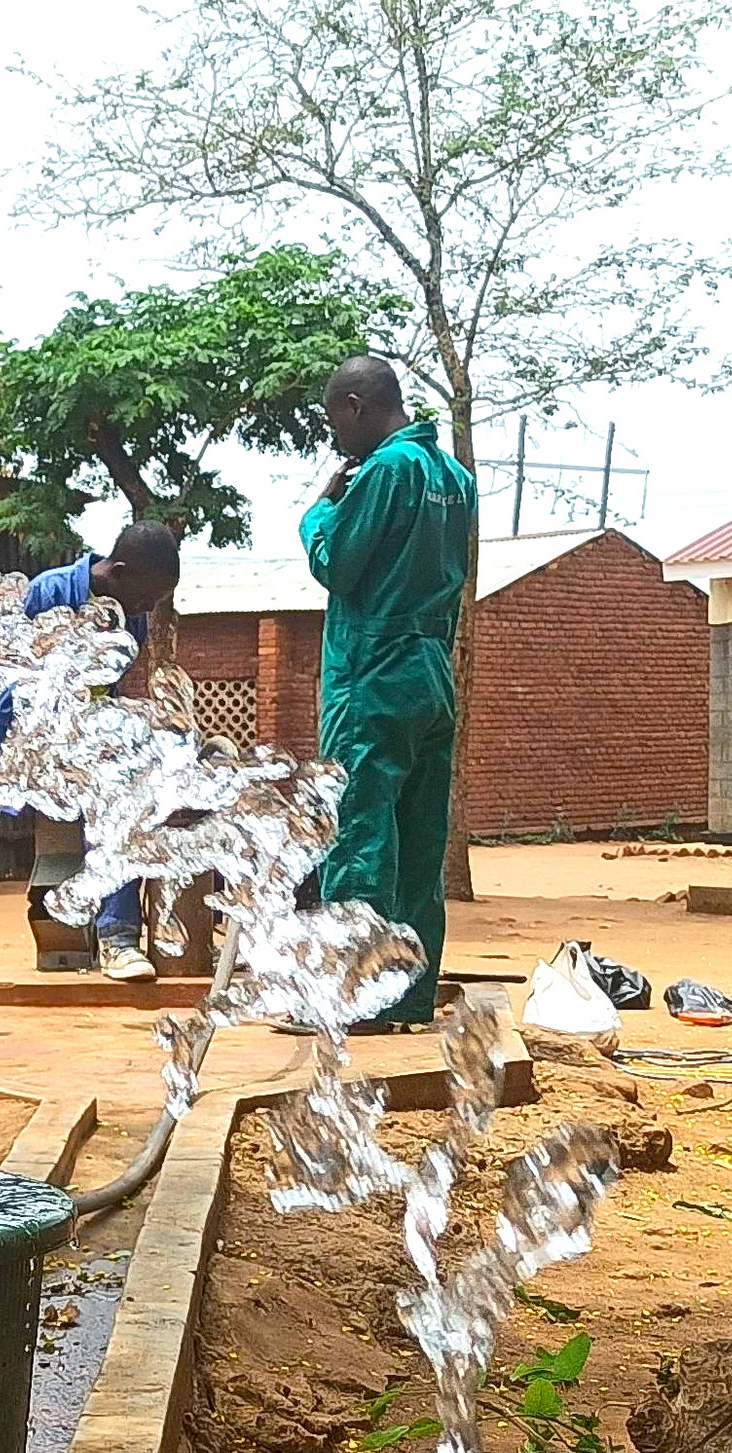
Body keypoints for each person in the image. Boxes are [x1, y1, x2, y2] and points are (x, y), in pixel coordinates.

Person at [300, 354, 477, 1031]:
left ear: (353, 405)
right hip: (431, 671)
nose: (336, 441)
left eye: (334, 423)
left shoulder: (384, 472)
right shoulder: (454, 479)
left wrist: (319, 511)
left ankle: (356, 999)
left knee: (360, 834)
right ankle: (409, 995)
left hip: (371, 671)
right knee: (420, 837)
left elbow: (337, 564)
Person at [0, 519, 182, 982]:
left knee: (132, 799)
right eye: (147, 596)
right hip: (36, 735)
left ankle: (118, 938)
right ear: (120, 571)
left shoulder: (131, 613)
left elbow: (109, 691)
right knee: (115, 799)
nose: (148, 608)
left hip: (91, 734)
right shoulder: (48, 594)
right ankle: (118, 938)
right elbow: (14, 685)